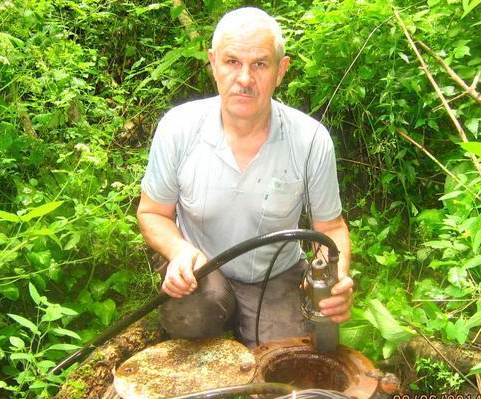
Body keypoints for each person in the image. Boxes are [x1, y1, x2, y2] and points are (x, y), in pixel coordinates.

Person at [137, 7, 353, 347]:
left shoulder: (310, 140)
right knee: (189, 315)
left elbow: (331, 228)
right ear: (213, 63)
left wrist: (333, 276)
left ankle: (259, 325)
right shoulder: (178, 128)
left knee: (290, 361)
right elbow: (152, 212)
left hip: (277, 274)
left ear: (281, 70)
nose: (245, 79)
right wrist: (178, 251)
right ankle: (216, 323)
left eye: (260, 64)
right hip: (203, 269)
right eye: (232, 62)